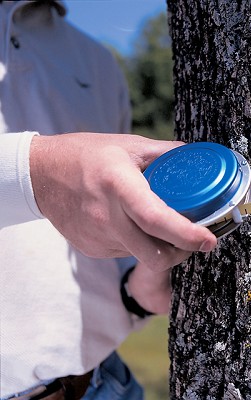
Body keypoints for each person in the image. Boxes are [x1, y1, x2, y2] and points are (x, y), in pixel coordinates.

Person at [0, 1, 217, 399]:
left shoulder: (95, 61)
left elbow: (100, 231)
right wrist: (38, 172)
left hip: (105, 384)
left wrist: (133, 292)